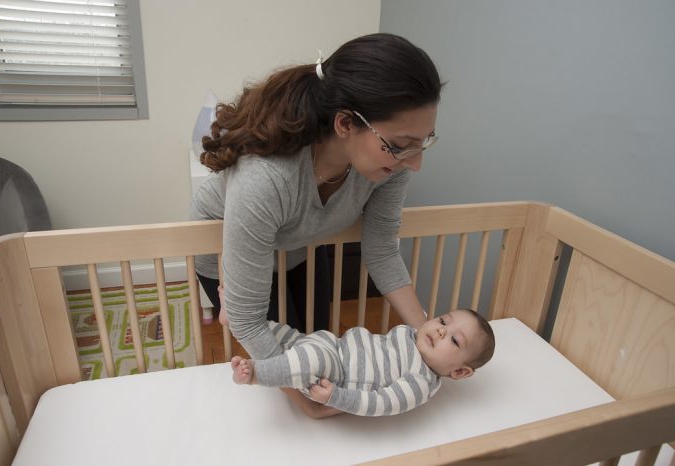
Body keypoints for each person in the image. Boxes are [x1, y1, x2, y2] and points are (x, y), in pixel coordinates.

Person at [191, 32, 442, 414]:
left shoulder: (393, 165)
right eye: (400, 143)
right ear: (345, 124)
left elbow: (382, 250)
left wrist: (424, 329)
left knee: (320, 340)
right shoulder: (266, 177)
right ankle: (228, 295)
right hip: (231, 247)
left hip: (298, 242)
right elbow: (249, 320)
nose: (415, 162)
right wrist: (307, 401)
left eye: (422, 143)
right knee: (271, 335)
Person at [231, 309, 495, 417]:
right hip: (333, 344)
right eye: (443, 321)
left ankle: (256, 372)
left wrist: (336, 397)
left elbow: (379, 403)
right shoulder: (413, 335)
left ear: (459, 371)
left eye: (455, 341)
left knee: (306, 360)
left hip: (335, 375)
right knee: (288, 336)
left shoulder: (420, 382)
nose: (440, 330)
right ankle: (237, 318)